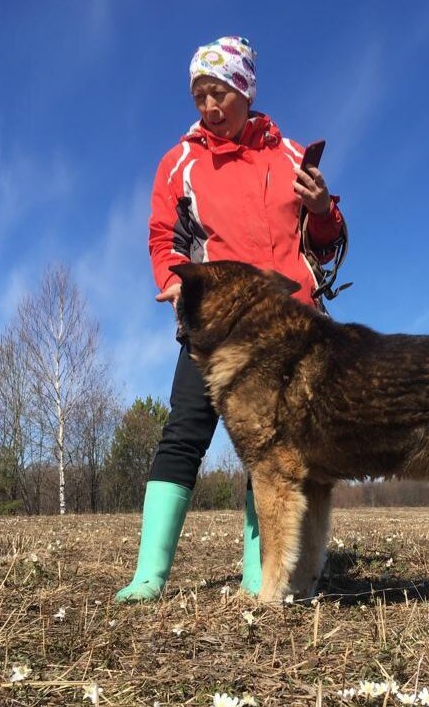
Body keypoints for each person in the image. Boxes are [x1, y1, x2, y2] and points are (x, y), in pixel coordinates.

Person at [115, 36, 346, 602]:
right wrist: (172, 282)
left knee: (274, 445)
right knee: (184, 432)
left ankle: (258, 573)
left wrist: (323, 209)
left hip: (294, 327)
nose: (209, 106)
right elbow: (162, 237)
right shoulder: (180, 162)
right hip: (216, 323)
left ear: (244, 89)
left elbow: (327, 240)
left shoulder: (290, 154)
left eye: (219, 92)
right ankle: (150, 574)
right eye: (199, 95)